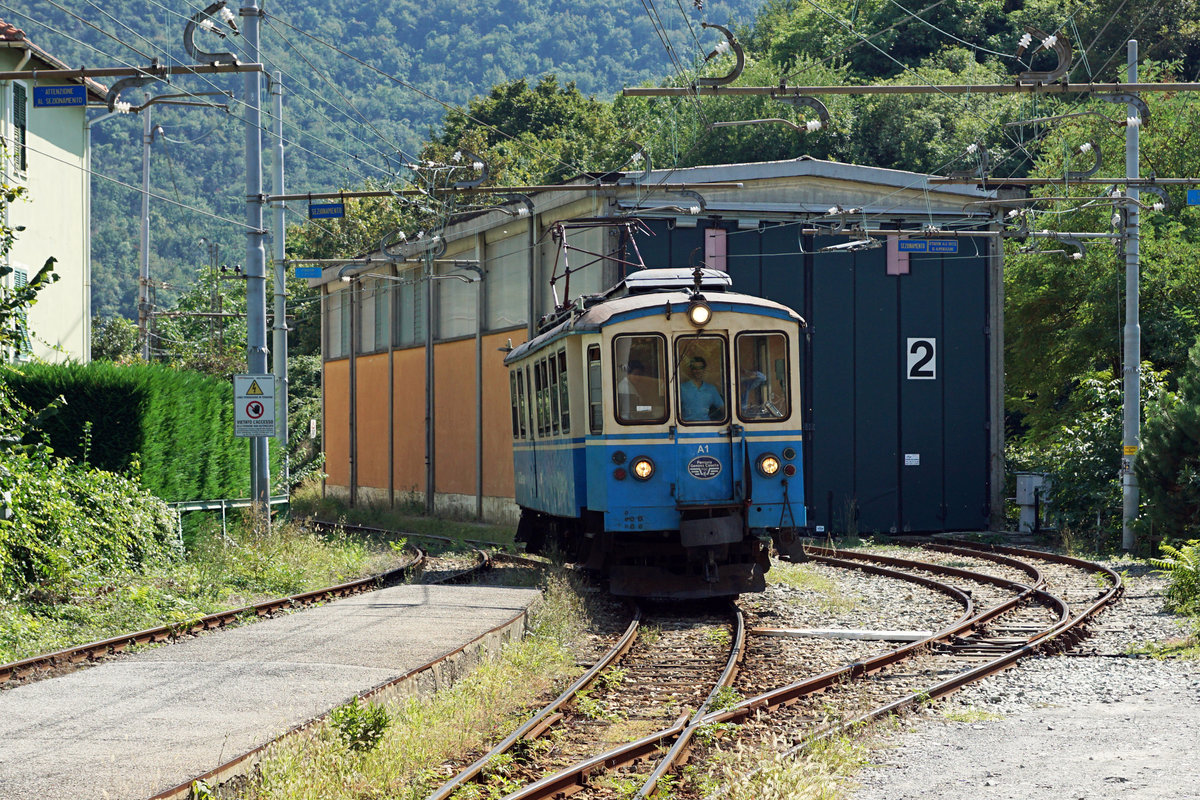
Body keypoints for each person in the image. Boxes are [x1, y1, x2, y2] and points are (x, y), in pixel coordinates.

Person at [680, 356, 725, 421]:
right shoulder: (682, 388)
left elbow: (722, 408)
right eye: (695, 368)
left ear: (704, 370)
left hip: (706, 425)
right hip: (685, 425)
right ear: (691, 370)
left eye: (700, 368)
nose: (698, 371)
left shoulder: (711, 389)